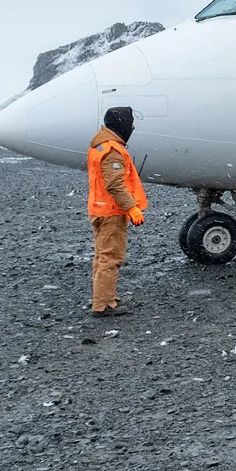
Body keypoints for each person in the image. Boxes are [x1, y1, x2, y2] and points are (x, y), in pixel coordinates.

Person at [86, 105, 149, 317]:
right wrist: (132, 208)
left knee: (102, 256)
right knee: (111, 258)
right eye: (130, 121)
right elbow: (115, 185)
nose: (132, 126)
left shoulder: (100, 146)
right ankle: (103, 305)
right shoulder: (113, 151)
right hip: (111, 212)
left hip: (99, 209)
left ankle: (104, 297)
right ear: (121, 124)